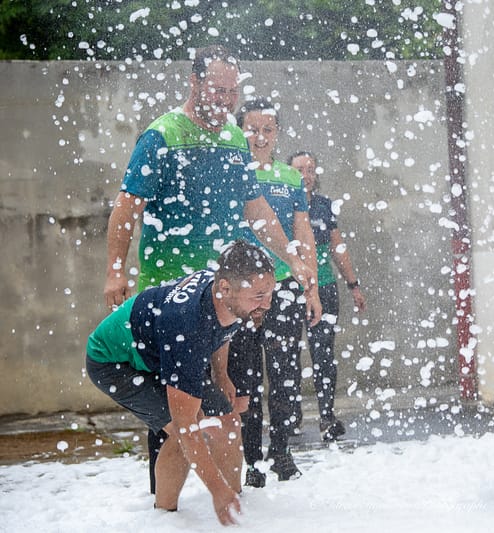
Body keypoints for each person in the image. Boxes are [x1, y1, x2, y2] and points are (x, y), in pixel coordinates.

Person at [101, 45, 316, 493]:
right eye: (217, 90)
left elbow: (255, 208)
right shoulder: (162, 135)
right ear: (194, 83)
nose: (225, 100)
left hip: (220, 295)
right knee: (173, 410)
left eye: (232, 91)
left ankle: (227, 497)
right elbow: (126, 207)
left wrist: (291, 255)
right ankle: (167, 508)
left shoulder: (235, 140)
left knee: (224, 397)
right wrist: (115, 269)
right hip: (170, 295)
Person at [86, 240, 276, 526]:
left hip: (160, 350)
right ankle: (164, 518)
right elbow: (187, 426)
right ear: (225, 288)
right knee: (185, 430)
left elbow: (221, 330)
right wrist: (215, 491)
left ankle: (236, 501)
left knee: (227, 422)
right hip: (114, 363)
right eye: (260, 295)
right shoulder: (187, 326)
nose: (268, 303)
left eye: (270, 292)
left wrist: (221, 374)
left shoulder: (233, 299)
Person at [229, 98, 320, 487]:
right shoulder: (233, 173)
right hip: (243, 293)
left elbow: (303, 234)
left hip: (284, 287)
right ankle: (250, 459)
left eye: (268, 129)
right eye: (252, 129)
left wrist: (310, 287)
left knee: (283, 373)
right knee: (243, 376)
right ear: (239, 131)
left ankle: (281, 451)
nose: (260, 137)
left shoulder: (289, 177)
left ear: (277, 133)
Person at [290, 151, 367, 442]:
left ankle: (326, 417)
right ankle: (292, 416)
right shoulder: (283, 203)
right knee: (288, 357)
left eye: (310, 169)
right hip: (290, 288)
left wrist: (353, 284)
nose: (306, 175)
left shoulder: (323, 206)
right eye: (299, 169)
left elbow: (338, 247)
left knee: (323, 353)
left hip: (324, 287)